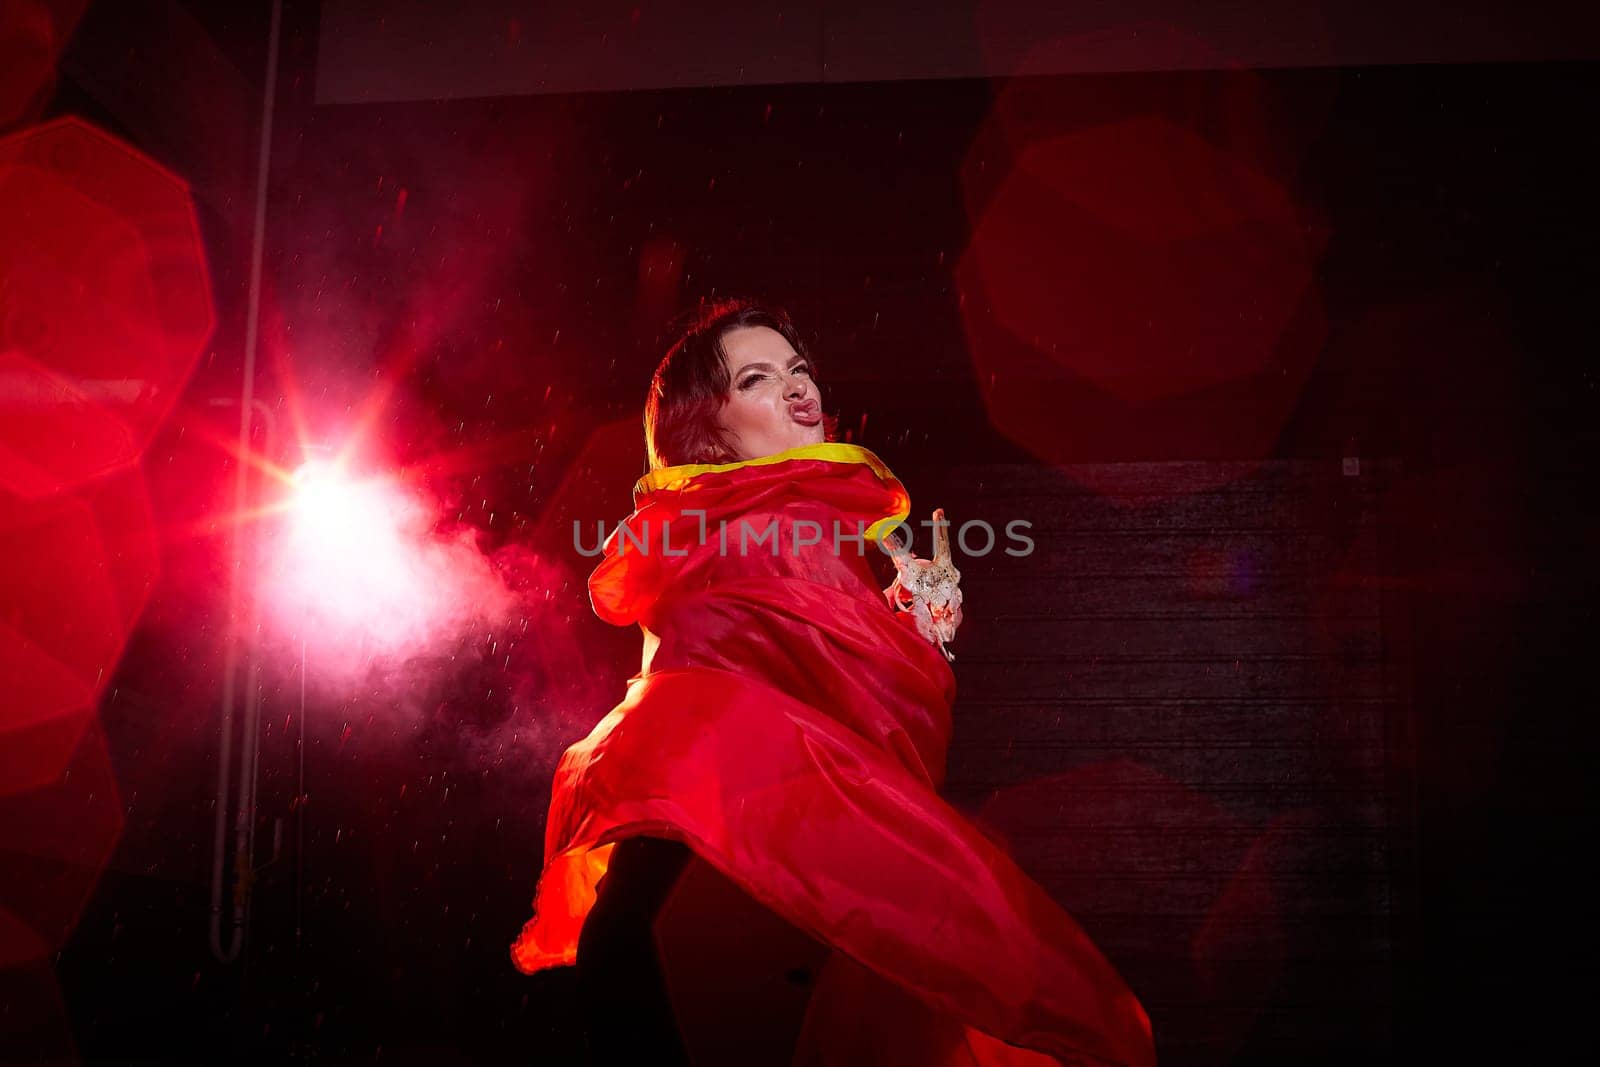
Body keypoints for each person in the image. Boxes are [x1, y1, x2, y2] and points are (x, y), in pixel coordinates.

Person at [511, 299, 1155, 1066]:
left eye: (800, 370)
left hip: (754, 884)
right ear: (706, 428)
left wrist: (908, 622)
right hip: (727, 848)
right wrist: (905, 635)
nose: (797, 391)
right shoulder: (754, 527)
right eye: (757, 378)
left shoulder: (785, 530)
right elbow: (817, 685)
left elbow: (833, 684)